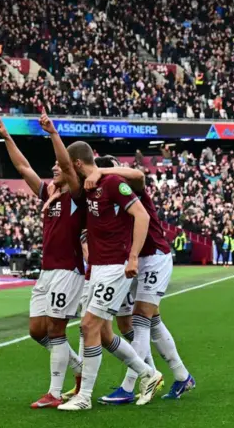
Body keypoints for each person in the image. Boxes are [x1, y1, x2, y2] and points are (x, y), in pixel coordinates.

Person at [55, 137, 163, 411]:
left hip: (115, 267)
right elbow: (63, 177)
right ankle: (148, 373)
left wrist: (133, 257)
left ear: (78, 164)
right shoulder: (85, 189)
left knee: (88, 326)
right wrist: (52, 133)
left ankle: (84, 397)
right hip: (97, 269)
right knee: (101, 332)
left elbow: (143, 216)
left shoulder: (113, 183)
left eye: (70, 166)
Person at [0, 117, 86, 409]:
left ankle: (55, 393)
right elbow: (23, 168)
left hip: (67, 271)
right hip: (47, 272)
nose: (54, 168)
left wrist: (53, 134)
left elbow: (68, 165)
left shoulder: (76, 195)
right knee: (37, 330)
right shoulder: (49, 193)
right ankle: (78, 365)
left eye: (58, 166)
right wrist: (8, 137)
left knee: (56, 330)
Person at [93, 155, 195, 405]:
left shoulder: (126, 187)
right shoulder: (103, 197)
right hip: (133, 260)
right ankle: (182, 376)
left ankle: (129, 386)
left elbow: (138, 176)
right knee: (147, 321)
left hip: (154, 257)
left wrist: (103, 170)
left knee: (140, 319)